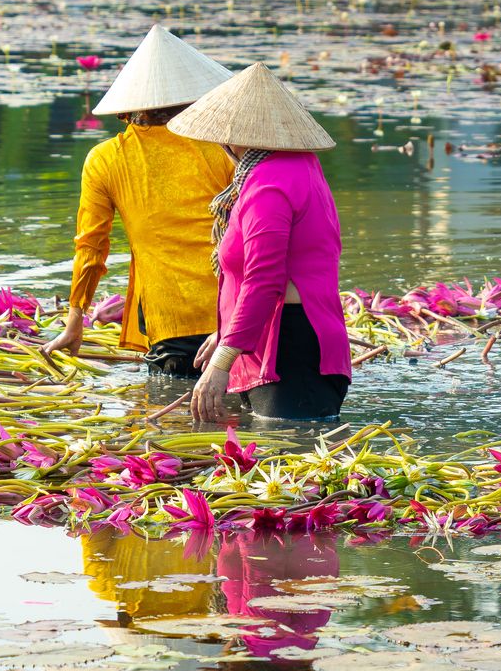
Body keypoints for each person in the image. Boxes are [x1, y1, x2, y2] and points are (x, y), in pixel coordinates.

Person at [44, 25, 235, 376]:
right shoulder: (224, 148)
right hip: (239, 317)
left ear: (128, 106)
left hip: (172, 320)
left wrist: (75, 320)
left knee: (177, 421)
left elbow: (91, 247)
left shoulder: (106, 159)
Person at [169, 63, 354, 423]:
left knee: (288, 457)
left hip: (290, 348)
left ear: (234, 137)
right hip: (283, 337)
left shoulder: (268, 185)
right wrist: (226, 335)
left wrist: (222, 361)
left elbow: (265, 280)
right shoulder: (299, 165)